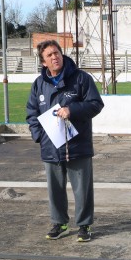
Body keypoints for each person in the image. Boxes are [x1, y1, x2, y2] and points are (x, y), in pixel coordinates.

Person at [26, 40, 104, 242]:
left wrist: (72, 110)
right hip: (50, 147)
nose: (54, 57)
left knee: (82, 189)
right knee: (55, 190)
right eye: (49, 55)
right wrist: (39, 136)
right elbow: (32, 112)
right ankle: (59, 223)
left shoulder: (81, 78)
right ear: (43, 62)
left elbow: (96, 104)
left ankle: (84, 225)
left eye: (57, 53)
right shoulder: (39, 84)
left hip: (77, 145)